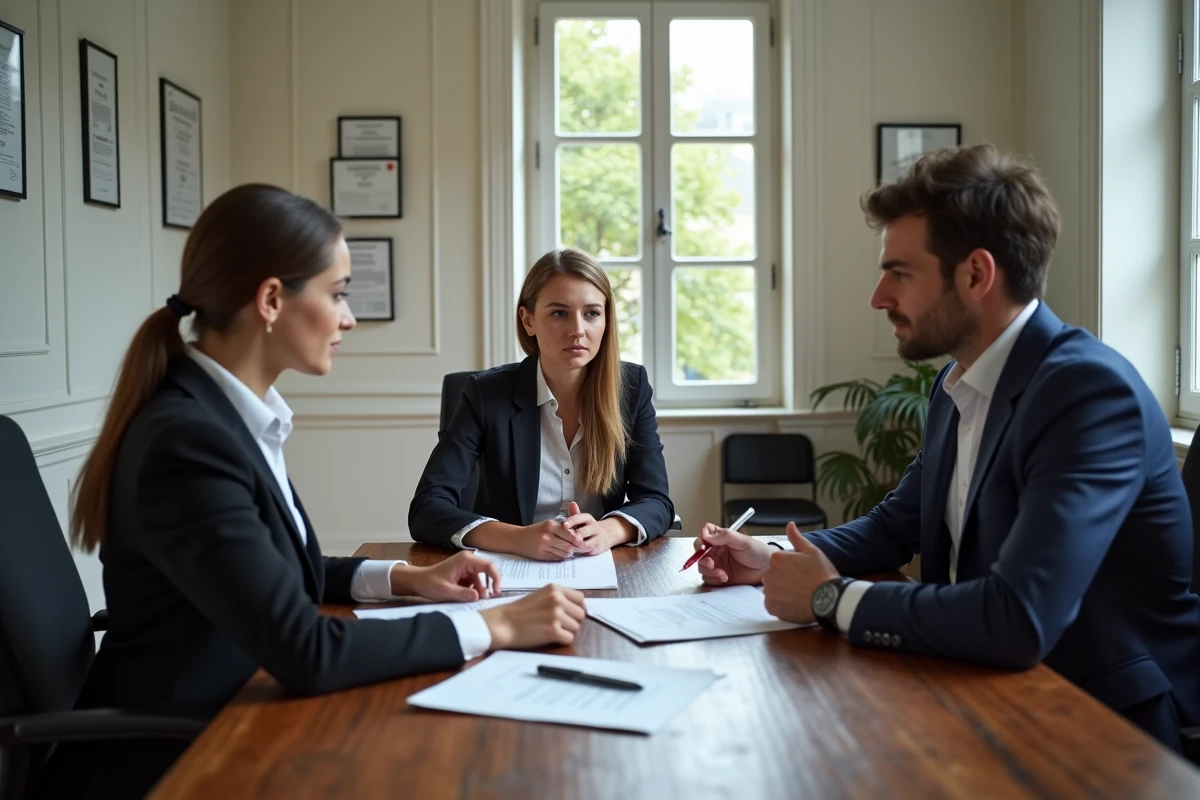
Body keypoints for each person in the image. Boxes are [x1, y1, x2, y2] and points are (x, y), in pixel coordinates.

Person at [40, 185, 587, 798]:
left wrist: (406, 578)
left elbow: (267, 569)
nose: (348, 317)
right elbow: (306, 650)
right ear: (272, 299)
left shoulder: (224, 417)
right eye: (338, 293)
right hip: (178, 756)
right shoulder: (187, 441)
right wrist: (499, 625)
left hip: (239, 710)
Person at [692, 144, 1200, 752]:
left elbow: (1020, 618)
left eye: (900, 273)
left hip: (1104, 723)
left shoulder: (1085, 392)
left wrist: (831, 598)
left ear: (976, 275)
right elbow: (890, 529)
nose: (879, 297)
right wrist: (768, 555)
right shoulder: (958, 382)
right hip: (987, 690)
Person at [409, 247, 673, 559]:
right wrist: (517, 538)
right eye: (559, 313)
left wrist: (608, 530)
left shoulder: (631, 387)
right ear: (529, 320)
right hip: (508, 568)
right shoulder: (485, 394)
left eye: (591, 313)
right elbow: (427, 508)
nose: (578, 330)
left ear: (606, 320)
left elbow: (657, 500)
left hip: (601, 564)